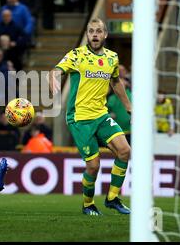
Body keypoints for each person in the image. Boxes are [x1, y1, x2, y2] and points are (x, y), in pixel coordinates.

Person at [48, 18, 132, 216]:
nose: (94, 34)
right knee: (93, 166)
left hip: (101, 115)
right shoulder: (77, 55)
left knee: (125, 151)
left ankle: (112, 198)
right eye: (91, 31)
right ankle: (88, 204)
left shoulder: (112, 57)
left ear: (105, 35)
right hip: (80, 118)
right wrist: (53, 80)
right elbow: (55, 71)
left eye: (98, 31)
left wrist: (129, 107)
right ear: (87, 35)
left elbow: (116, 82)